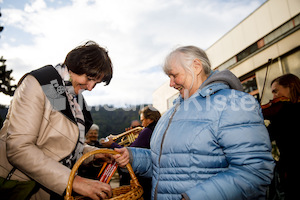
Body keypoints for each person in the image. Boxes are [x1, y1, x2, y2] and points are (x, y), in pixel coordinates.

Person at [113, 46, 275, 200]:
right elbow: (165, 165)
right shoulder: (170, 114)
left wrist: (195, 197)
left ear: (196, 66)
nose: (171, 84)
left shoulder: (233, 104)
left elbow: (255, 172)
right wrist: (133, 157)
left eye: (174, 75)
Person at [0, 41, 113, 200]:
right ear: (76, 66)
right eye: (89, 78)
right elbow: (19, 148)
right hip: (19, 186)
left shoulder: (72, 99)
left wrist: (95, 154)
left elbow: (59, 144)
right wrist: (73, 181)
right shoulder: (40, 83)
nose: (90, 87)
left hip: (48, 187)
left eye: (97, 82)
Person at [102, 106, 161, 200]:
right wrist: (135, 139)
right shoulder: (159, 129)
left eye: (143, 120)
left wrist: (112, 144)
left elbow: (129, 153)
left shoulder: (147, 131)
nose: (142, 124)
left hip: (144, 177)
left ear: (150, 119)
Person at [262, 73, 300, 200]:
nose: (273, 98)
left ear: (290, 87)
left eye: (276, 91)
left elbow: (263, 138)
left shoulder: (284, 113)